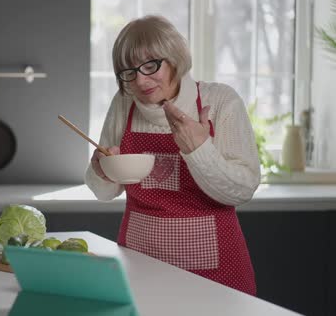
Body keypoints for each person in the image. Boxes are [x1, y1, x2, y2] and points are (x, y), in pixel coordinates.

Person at [85, 15, 260, 295]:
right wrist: (101, 170)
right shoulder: (123, 104)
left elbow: (243, 190)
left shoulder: (220, 101)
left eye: (151, 65)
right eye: (129, 72)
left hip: (215, 271)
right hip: (139, 263)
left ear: (175, 58)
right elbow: (104, 192)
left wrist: (198, 150)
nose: (141, 81)